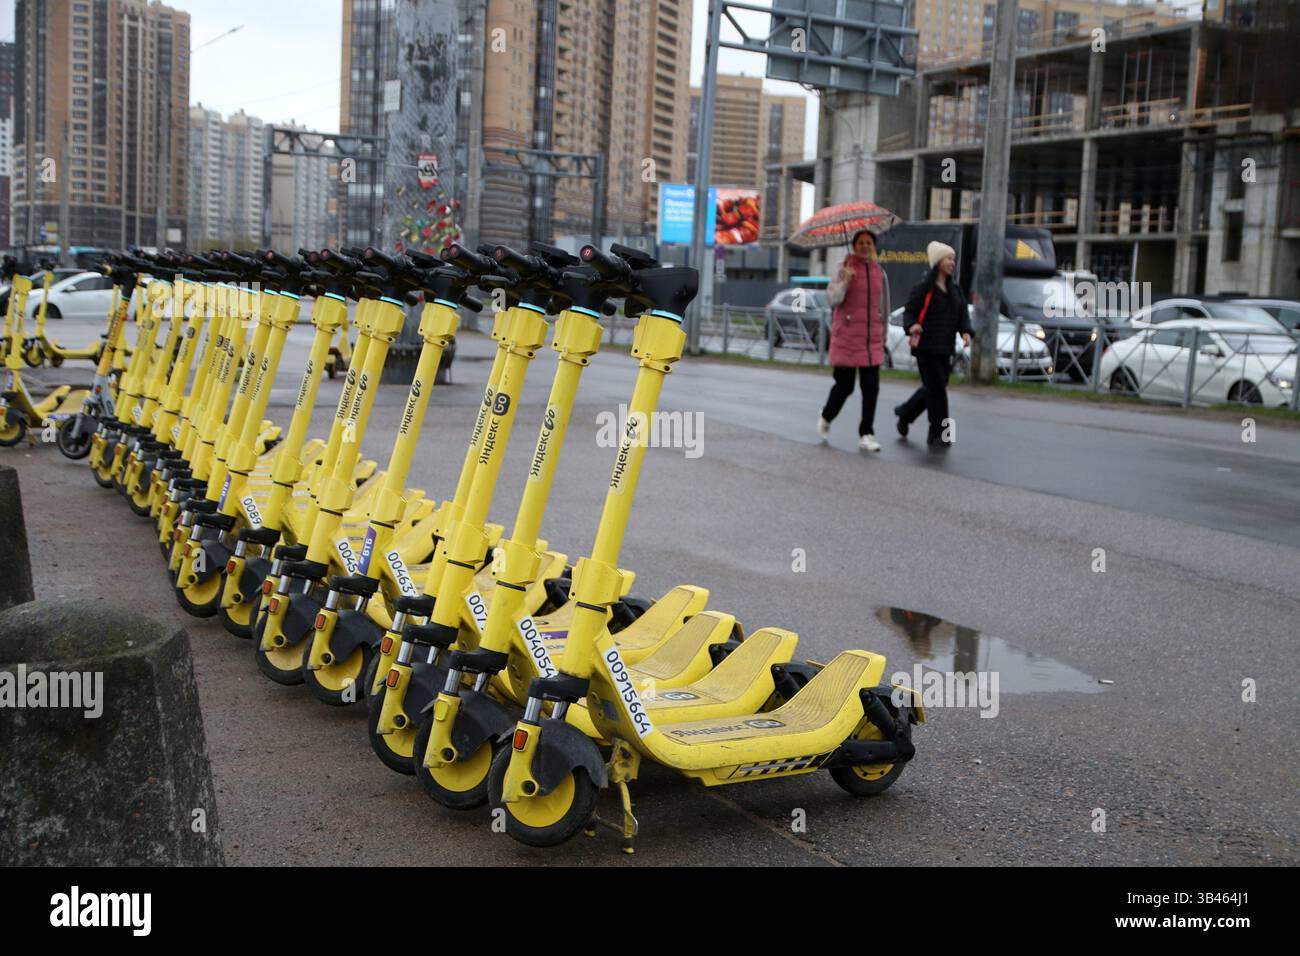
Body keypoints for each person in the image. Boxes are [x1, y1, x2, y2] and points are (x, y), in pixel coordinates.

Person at [816, 228, 891, 452]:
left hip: (871, 341)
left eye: (869, 243)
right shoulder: (843, 270)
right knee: (845, 387)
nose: (865, 246)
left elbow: (884, 306)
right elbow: (832, 299)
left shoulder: (880, 273)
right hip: (847, 338)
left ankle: (866, 433)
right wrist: (845, 281)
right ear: (854, 245)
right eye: (861, 243)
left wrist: (883, 333)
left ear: (874, 246)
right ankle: (827, 416)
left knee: (871, 388)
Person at [893, 241, 972, 448]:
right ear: (937, 262)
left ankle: (905, 413)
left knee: (933, 388)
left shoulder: (955, 289)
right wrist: (912, 326)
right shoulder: (923, 289)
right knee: (937, 389)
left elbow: (963, 314)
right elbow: (909, 311)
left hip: (945, 348)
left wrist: (965, 331)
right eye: (948, 258)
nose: (952, 263)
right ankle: (940, 434)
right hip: (925, 348)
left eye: (953, 259)